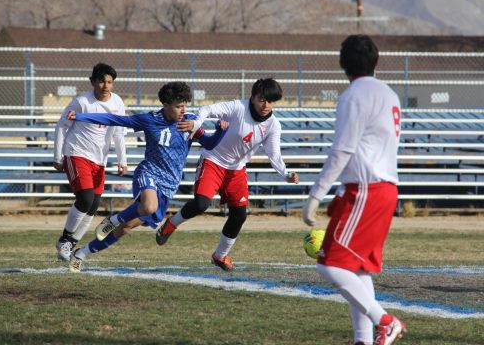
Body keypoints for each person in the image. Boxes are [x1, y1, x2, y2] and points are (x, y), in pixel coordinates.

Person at [301, 35, 405, 345]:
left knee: (329, 264)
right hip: (381, 188)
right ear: (375, 60)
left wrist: (315, 194)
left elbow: (342, 150)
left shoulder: (354, 95)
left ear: (343, 62)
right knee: (356, 268)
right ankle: (364, 339)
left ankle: (385, 322)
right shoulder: (390, 94)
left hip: (366, 189)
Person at [66, 82, 228, 272]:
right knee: (148, 206)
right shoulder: (150, 119)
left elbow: (209, 144)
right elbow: (114, 119)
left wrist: (220, 131)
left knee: (126, 227)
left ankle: (81, 253)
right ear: (165, 105)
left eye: (185, 105)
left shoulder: (189, 122)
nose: (183, 110)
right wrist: (81, 116)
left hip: (169, 185)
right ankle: (112, 220)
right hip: (149, 173)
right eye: (178, 106)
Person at [155, 78, 299, 271]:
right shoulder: (238, 107)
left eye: (271, 101)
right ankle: (171, 224)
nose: (266, 105)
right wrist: (197, 123)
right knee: (201, 204)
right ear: (253, 98)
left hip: (236, 170)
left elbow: (274, 154)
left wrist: (286, 174)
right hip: (213, 161)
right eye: (262, 100)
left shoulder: (273, 125)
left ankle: (220, 256)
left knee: (239, 215)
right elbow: (207, 108)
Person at [53, 63, 127, 261]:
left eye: (110, 82)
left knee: (93, 205)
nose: (105, 85)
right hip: (77, 153)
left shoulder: (118, 103)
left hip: (99, 160)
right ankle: (64, 240)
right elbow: (61, 126)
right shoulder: (81, 102)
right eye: (101, 81)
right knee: (85, 199)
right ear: (92, 81)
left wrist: (122, 160)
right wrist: (58, 156)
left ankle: (71, 244)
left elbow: (119, 132)